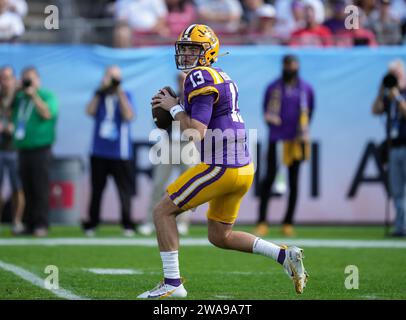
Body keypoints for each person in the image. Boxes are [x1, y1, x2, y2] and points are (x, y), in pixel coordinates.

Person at [138, 24, 308, 299]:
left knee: (162, 212)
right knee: (220, 235)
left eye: (194, 49)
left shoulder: (199, 77)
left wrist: (175, 108)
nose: (187, 54)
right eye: (185, 48)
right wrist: (178, 107)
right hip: (242, 168)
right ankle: (282, 255)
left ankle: (172, 283)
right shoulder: (219, 75)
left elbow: (195, 132)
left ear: (209, 51)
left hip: (222, 165)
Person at [255, 55, 315, 238]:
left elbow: (310, 112)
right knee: (269, 179)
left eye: (293, 65)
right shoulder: (273, 87)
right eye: (287, 65)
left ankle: (288, 222)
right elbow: (266, 110)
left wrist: (302, 130)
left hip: (295, 140)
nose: (290, 68)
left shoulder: (306, 89)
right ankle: (262, 221)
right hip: (276, 138)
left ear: (297, 66)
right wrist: (269, 118)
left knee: (294, 182)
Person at [138, 72, 195, 236]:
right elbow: (157, 121)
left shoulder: (194, 99)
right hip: (168, 143)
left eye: (184, 79)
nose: (181, 82)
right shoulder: (170, 98)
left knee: (188, 186)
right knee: (158, 183)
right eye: (179, 79)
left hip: (187, 145)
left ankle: (183, 222)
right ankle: (150, 221)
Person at [83, 65, 136, 237]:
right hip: (99, 151)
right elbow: (89, 111)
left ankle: (127, 224)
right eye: (110, 77)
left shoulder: (126, 94)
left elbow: (129, 116)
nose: (113, 81)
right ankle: (92, 223)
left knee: (124, 190)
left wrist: (119, 92)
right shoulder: (99, 95)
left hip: (120, 152)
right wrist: (100, 91)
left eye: (116, 77)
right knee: (97, 189)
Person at [12, 67, 58, 237]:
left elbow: (47, 114)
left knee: (40, 187)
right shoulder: (20, 97)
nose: (27, 83)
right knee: (27, 187)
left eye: (30, 79)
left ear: (38, 80)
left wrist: (34, 95)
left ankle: (41, 223)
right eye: (25, 79)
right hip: (23, 148)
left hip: (41, 148)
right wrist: (14, 91)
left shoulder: (47, 95)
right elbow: (7, 110)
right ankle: (29, 223)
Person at [372, 59, 406, 237]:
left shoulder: (401, 95)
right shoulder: (388, 97)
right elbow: (375, 110)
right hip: (394, 147)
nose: (394, 78)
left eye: (397, 74)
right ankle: (401, 226)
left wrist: (398, 96)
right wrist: (381, 92)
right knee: (397, 189)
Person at [0, 66, 25, 235]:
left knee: (18, 187)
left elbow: (25, 118)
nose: (5, 81)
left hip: (16, 148)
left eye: (8, 78)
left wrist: (14, 127)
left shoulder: (20, 98)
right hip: (0, 148)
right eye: (3, 78)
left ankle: (17, 221)